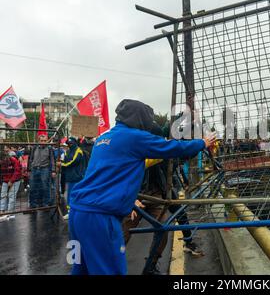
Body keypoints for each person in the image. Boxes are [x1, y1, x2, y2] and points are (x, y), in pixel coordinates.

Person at [68, 99, 215, 275]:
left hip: (78, 213)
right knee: (110, 270)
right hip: (100, 217)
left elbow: (107, 175)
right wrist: (202, 143)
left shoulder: (104, 138)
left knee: (80, 269)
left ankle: (152, 265)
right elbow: (172, 147)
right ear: (140, 119)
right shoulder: (134, 137)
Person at [27, 134, 56, 208]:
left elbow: (52, 160)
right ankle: (32, 204)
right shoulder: (34, 148)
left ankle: (45, 203)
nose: (43, 142)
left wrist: (53, 170)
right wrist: (29, 170)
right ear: (38, 141)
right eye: (41, 140)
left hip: (45, 169)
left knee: (45, 187)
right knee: (33, 187)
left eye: (45, 141)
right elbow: (30, 159)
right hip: (34, 169)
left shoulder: (49, 149)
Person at [61, 137, 87, 220]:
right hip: (70, 177)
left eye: (71, 143)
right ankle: (71, 212)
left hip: (77, 177)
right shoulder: (67, 151)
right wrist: (61, 163)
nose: (70, 145)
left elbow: (73, 162)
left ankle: (78, 212)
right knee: (70, 195)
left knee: (77, 194)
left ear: (75, 143)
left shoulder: (78, 151)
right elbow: (64, 161)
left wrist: (62, 165)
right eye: (68, 144)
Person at [0, 150, 22, 220]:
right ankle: (2, 211)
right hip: (5, 180)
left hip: (15, 180)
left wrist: (12, 181)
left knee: (11, 195)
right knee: (3, 195)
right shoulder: (1, 162)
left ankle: (10, 212)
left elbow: (17, 171)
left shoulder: (14, 160)